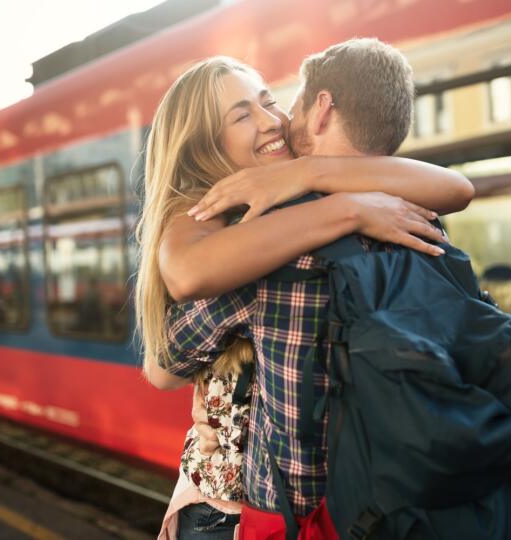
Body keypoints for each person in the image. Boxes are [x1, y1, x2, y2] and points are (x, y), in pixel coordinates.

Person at [137, 44, 473, 540]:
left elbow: (163, 364)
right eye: (242, 114)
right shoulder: (237, 225)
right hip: (335, 498)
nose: (272, 120)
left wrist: (305, 175)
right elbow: (173, 324)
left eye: (269, 100)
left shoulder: (293, 223)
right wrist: (349, 206)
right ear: (205, 144)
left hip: (258, 508)